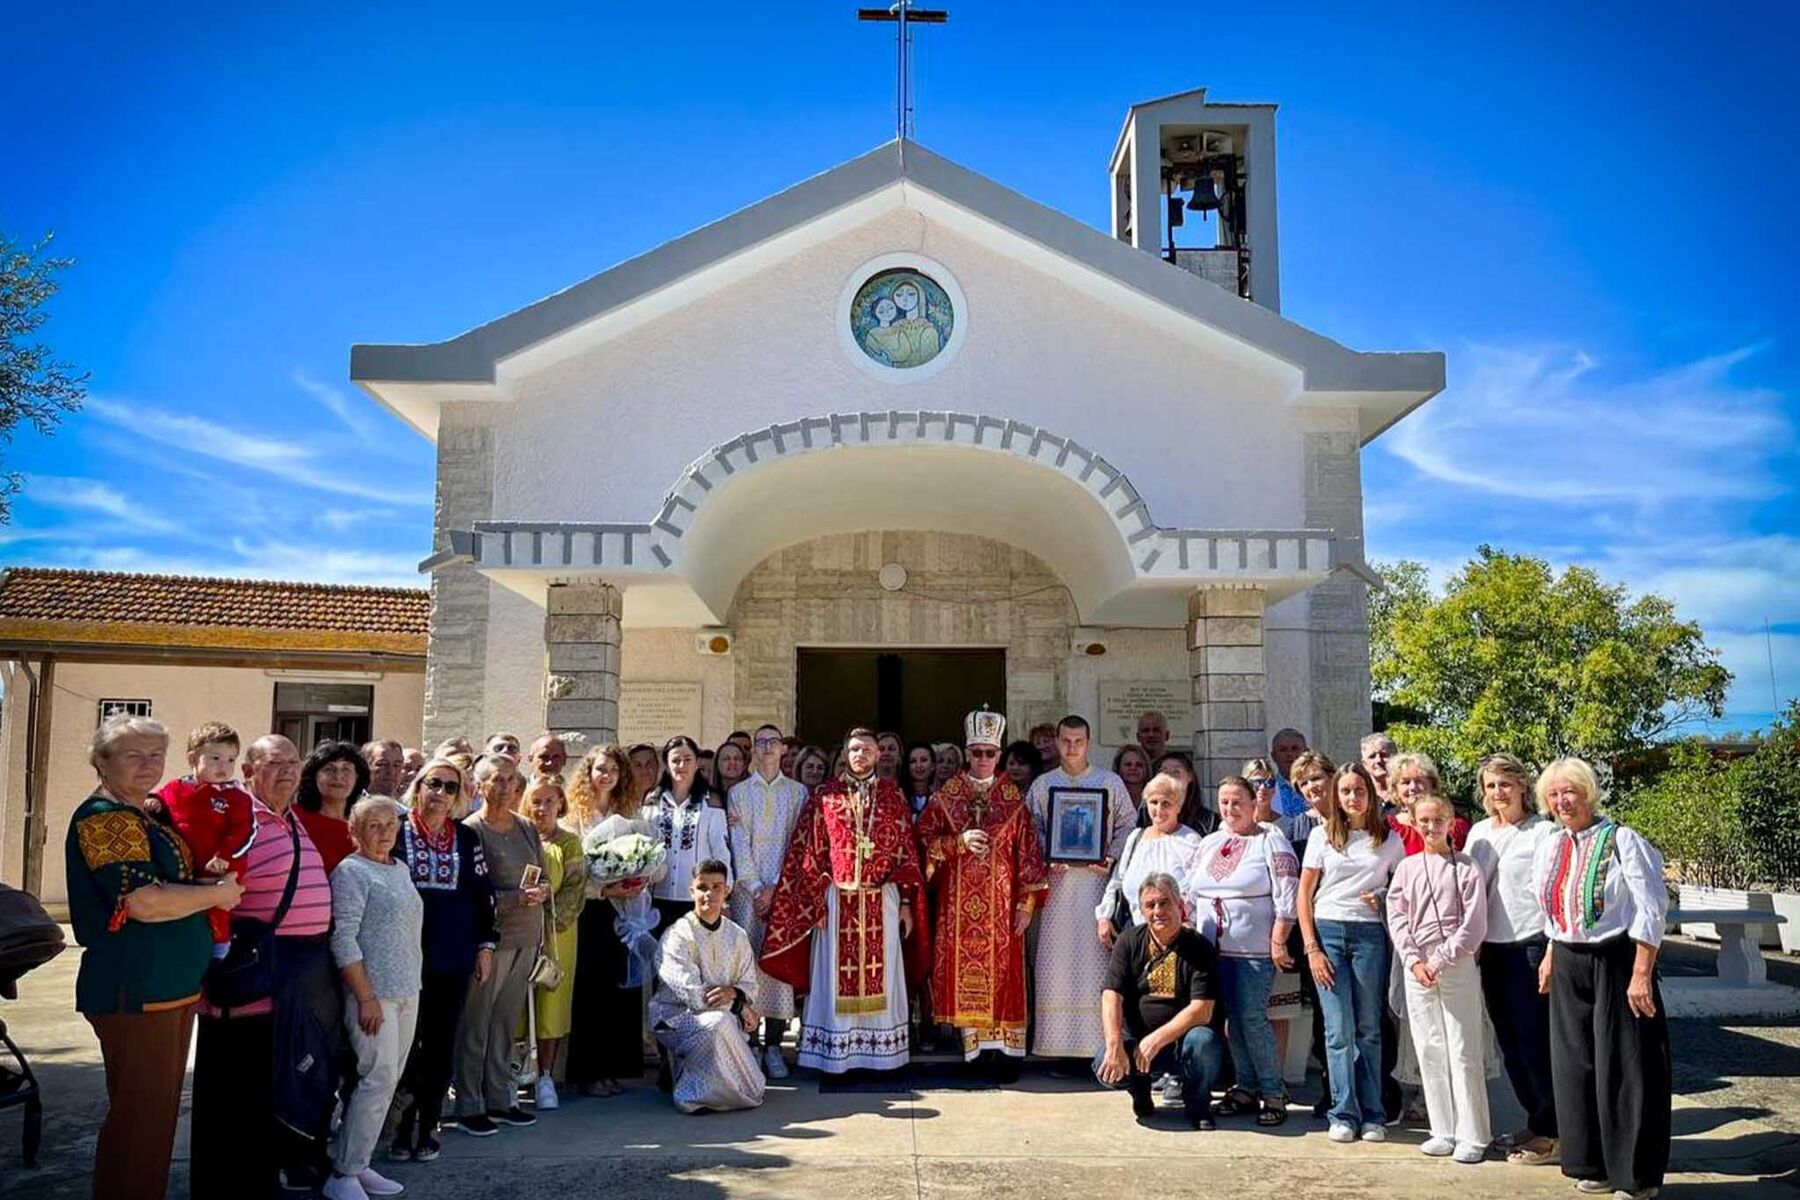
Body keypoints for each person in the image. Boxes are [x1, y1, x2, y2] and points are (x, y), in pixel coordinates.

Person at [67, 715, 243, 1200]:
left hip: (169, 988)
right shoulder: (105, 817)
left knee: (156, 1118)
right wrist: (218, 897)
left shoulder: (142, 813)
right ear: (102, 762)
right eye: (132, 754)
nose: (148, 765)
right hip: (138, 988)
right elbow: (142, 901)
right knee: (139, 1124)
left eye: (155, 755)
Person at [191, 734, 339, 1200]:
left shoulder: (291, 819)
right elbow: (204, 889)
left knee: (273, 1088)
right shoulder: (237, 817)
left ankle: (261, 1180)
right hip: (249, 976)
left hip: (294, 978)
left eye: (294, 762)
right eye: (275, 763)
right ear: (249, 771)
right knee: (235, 1093)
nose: (288, 771)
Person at [1532, 757, 1670, 1200]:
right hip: (1569, 960)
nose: (1561, 801)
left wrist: (1641, 972)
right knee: (1575, 1065)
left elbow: (1651, 908)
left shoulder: (1623, 840)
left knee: (1627, 1066)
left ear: (1588, 792)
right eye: (1553, 795)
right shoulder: (1552, 845)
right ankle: (1590, 1162)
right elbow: (1555, 908)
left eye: (1569, 791)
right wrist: (1552, 954)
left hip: (1617, 960)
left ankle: (1636, 1175)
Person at [761, 728, 928, 1075]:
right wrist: (815, 903)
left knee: (884, 973)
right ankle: (836, 1055)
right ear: (845, 755)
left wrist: (908, 903)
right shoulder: (825, 795)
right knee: (835, 976)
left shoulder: (893, 797)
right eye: (854, 749)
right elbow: (809, 851)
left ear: (878, 755)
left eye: (867, 749)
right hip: (836, 900)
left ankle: (881, 1055)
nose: (861, 754)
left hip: (882, 898)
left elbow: (906, 852)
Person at [914, 709, 1047, 1075]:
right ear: (966, 753)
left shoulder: (1012, 798)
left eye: (990, 753)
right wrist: (955, 843)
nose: (983, 760)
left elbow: (1029, 853)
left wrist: (1026, 901)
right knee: (967, 975)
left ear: (999, 755)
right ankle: (974, 1052)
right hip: (959, 906)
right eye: (976, 753)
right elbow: (922, 843)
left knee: (1005, 975)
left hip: (1003, 908)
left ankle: (1005, 1052)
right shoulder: (948, 795)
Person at [390, 757, 495, 1163]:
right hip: (402, 956)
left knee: (439, 1044)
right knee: (404, 1046)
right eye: (434, 784)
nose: (441, 794)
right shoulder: (395, 833)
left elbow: (481, 895)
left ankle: (429, 1121)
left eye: (452, 788)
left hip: (451, 958)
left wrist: (485, 946)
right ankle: (401, 1122)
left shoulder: (466, 839)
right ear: (418, 787)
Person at [1297, 761, 1405, 1144]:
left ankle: (1373, 1113)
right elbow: (1304, 895)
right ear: (1336, 796)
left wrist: (1382, 898)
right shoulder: (1322, 836)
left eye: (1359, 791)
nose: (1353, 798)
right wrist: (1311, 947)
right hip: (1328, 933)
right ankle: (1342, 1112)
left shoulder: (1390, 840)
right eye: (1345, 792)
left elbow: (1402, 890)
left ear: (1371, 795)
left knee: (1370, 1030)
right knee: (1338, 1029)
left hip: (1369, 936)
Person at [1186, 776, 1299, 1126]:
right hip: (1213, 950)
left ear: (1254, 803)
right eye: (1224, 802)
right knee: (1232, 1022)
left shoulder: (1270, 841)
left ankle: (1273, 1091)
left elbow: (1287, 895)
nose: (1230, 809)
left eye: (1238, 802)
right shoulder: (1210, 843)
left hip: (1254, 953)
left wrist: (1279, 940)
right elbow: (1190, 891)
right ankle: (1245, 1085)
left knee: (1252, 1018)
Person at [325, 796, 422, 1200]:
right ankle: (343, 1173)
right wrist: (364, 997)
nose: (384, 833)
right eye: (374, 826)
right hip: (373, 994)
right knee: (376, 1078)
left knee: (388, 1080)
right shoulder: (350, 872)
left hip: (407, 990)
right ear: (355, 831)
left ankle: (358, 1163)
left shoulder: (399, 868)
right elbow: (342, 936)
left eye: (390, 825)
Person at [1385, 794, 1489, 1165]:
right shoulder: (1407, 868)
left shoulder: (1466, 866)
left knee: (1463, 1048)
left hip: (1455, 964)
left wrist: (1443, 957)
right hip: (1418, 968)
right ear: (1413, 822)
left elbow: (1474, 923)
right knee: (1430, 1048)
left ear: (1450, 823)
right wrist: (1414, 961)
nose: (1431, 827)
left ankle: (1473, 1133)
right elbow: (1397, 917)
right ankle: (1442, 1129)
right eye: (1423, 820)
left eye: (1438, 820)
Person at [1465, 753, 1558, 1166]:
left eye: (1505, 783)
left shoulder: (1544, 833)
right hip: (1493, 950)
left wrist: (1552, 950)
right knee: (1509, 1044)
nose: (1498, 792)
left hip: (1530, 945)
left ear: (1522, 785)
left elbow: (1554, 895)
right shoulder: (1479, 834)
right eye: (1490, 786)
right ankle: (1536, 1121)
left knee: (1535, 1041)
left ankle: (1554, 1130)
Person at [1027, 715, 1136, 1061]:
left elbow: (1128, 827)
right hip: (1057, 889)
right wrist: (1046, 853)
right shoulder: (1043, 786)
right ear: (1057, 742)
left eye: (1078, 741)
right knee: (1055, 963)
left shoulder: (1110, 782)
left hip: (1096, 884)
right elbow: (1030, 829)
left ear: (1088, 743)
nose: (1072, 747)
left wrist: (1111, 856)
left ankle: (1098, 1045)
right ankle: (1057, 1046)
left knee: (1096, 962)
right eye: (1066, 741)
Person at [453, 756, 548, 1136]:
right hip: (490, 942)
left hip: (525, 937)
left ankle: (500, 1098)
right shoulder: (470, 830)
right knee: (476, 1023)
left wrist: (540, 892)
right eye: (497, 780)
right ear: (479, 785)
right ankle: (469, 1103)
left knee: (506, 1024)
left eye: (512, 779)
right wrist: (513, 899)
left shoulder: (526, 827)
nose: (507, 787)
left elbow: (539, 874)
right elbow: (472, 892)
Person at [562, 743, 661, 1098]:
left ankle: (614, 1069)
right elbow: (570, 870)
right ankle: (588, 1073)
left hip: (625, 910)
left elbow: (651, 858)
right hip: (591, 912)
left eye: (614, 771)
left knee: (619, 992)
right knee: (591, 991)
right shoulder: (573, 817)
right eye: (600, 769)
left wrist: (640, 877)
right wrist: (603, 890)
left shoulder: (631, 813)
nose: (606, 776)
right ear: (588, 773)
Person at [1097, 872, 1224, 1130]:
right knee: (1102, 1061)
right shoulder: (1128, 940)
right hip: (1137, 1042)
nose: (1158, 911)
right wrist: (1114, 1045)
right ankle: (1140, 1092)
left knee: (1204, 1041)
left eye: (1164, 903)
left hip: (1182, 1044)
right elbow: (1111, 994)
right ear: (1142, 911)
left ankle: (1198, 1105)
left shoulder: (1199, 947)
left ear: (1180, 905)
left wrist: (1156, 1039)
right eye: (1150, 905)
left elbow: (1202, 1010)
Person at [726, 724, 810, 1079]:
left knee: (778, 967)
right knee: (747, 967)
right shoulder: (740, 794)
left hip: (784, 892)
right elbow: (738, 841)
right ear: (754, 751)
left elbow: (798, 841)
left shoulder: (798, 792)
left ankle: (774, 1044)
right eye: (760, 743)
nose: (766, 748)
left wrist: (777, 888)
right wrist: (758, 887)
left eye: (773, 742)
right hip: (748, 893)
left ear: (783, 751)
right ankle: (750, 1043)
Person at [651, 860, 767, 1113]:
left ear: (727, 891)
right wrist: (738, 1004)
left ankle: (729, 1089)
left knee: (722, 1024)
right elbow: (691, 993)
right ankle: (694, 1096)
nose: (709, 894)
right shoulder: (677, 935)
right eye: (703, 887)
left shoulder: (737, 935)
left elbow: (749, 984)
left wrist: (736, 994)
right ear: (691, 890)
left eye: (717, 887)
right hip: (675, 1018)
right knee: (717, 1024)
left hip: (725, 1016)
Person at [155, 720, 256, 959]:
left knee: (218, 909)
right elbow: (158, 799)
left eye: (231, 760)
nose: (224, 766)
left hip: (219, 868)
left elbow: (245, 831)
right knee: (185, 909)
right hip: (185, 869)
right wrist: (154, 802)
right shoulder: (175, 788)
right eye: (216, 758)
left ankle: (219, 951)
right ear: (192, 760)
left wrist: (224, 855)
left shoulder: (236, 796)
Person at [523, 774, 587, 1110]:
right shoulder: (518, 836)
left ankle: (546, 1076)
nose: (543, 807)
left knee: (551, 1003)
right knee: (516, 1003)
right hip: (518, 931)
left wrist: (549, 922)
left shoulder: (569, 843)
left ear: (561, 803)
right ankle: (514, 1074)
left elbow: (575, 888)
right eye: (537, 800)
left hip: (557, 935)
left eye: (550, 800)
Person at [1098, 772, 1205, 939]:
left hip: (1177, 938)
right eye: (1154, 802)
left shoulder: (1190, 841)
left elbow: (1198, 891)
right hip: (1136, 937)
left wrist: (1188, 926)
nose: (1159, 809)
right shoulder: (1135, 838)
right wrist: (1104, 917)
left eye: (1166, 803)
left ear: (1178, 806)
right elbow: (1116, 882)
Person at [645, 736, 732, 930]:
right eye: (675, 760)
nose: (681, 765)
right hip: (657, 899)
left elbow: (721, 851)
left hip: (699, 900)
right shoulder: (653, 801)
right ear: (667, 766)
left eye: (688, 759)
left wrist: (723, 899)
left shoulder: (711, 801)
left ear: (696, 764)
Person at [295, 739, 368, 873]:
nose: (338, 776)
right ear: (314, 776)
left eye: (346, 769)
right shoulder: (295, 819)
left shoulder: (365, 826)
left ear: (357, 777)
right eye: (329, 769)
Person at [1388, 752, 1471, 854]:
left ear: (1433, 786)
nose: (1412, 787)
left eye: (1419, 781)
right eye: (1405, 782)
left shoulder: (1455, 826)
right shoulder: (1388, 828)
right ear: (1395, 790)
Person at [1144, 750, 1218, 835]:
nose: (1169, 777)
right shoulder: (1146, 812)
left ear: (1190, 777)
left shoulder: (1208, 820)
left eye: (1176, 772)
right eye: (1163, 772)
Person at [1269, 729, 1310, 818]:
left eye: (1295, 749)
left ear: (1306, 753)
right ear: (1273, 756)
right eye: (1283, 750)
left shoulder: (1317, 787)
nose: (1289, 754)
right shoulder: (1267, 791)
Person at [1360, 733, 1398, 809]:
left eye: (1384, 755)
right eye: (1372, 756)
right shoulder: (1362, 795)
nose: (1378, 760)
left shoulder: (1405, 791)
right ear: (1364, 764)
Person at [711, 739, 750, 808]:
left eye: (737, 759)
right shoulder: (706, 797)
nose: (732, 763)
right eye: (726, 759)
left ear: (744, 765)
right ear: (717, 763)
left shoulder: (752, 794)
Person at [903, 740, 937, 815]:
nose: (918, 765)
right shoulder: (900, 797)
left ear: (933, 766)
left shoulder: (939, 799)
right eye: (913, 761)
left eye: (924, 760)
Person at [1112, 743, 1151, 808]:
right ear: (1118, 768)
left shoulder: (1154, 799)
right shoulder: (1110, 798)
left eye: (1139, 765)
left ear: (1146, 769)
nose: (1133, 768)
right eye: (1128, 764)